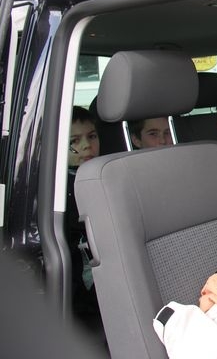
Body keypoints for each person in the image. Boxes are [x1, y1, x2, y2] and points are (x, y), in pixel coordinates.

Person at [66, 106, 104, 339]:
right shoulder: (60, 189)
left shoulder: (104, 175)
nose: (86, 146)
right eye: (74, 141)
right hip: (86, 289)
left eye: (92, 137)